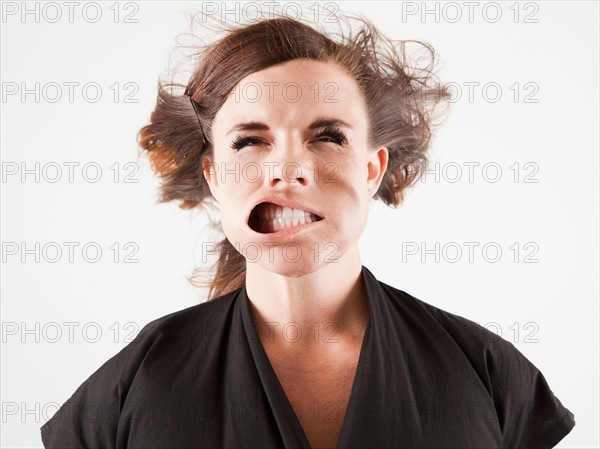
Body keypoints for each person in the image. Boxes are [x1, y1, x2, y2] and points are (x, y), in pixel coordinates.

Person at [40, 7, 575, 449]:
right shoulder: (133, 385)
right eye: (250, 141)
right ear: (215, 176)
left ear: (372, 170)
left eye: (328, 137)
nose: (287, 167)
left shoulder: (488, 375)